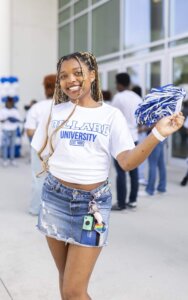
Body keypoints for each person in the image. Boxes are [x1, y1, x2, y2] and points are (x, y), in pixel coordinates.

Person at [31, 51, 184, 300]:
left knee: (73, 291)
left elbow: (126, 162)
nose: (71, 79)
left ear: (93, 75)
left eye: (78, 73)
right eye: (64, 76)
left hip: (91, 206)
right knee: (66, 283)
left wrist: (157, 133)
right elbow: (43, 150)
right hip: (54, 199)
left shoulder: (111, 115)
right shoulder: (54, 112)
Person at [24, 74, 56, 215]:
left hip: (39, 149)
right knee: (59, 180)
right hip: (59, 149)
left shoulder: (36, 107)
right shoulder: (66, 107)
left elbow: (30, 132)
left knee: (38, 179)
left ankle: (36, 209)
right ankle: (54, 210)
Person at [111, 74, 142, 210]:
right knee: (134, 171)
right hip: (134, 137)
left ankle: (121, 203)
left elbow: (112, 118)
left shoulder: (118, 97)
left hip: (121, 139)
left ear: (119, 84)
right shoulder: (137, 97)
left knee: (121, 171)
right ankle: (133, 200)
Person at [132, 85, 148, 186]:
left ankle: (137, 175)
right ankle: (140, 177)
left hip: (135, 132)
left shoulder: (134, 102)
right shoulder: (142, 103)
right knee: (141, 156)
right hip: (140, 133)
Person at [0, 97, 21, 167]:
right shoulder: (3, 110)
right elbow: (1, 120)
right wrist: (6, 119)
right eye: (8, 102)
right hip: (6, 129)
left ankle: (12, 160)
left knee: (12, 145)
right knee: (5, 145)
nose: (10, 104)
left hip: (13, 129)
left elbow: (18, 119)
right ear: (6, 102)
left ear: (12, 103)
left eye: (11, 102)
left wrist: (13, 119)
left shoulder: (15, 111)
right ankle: (5, 160)